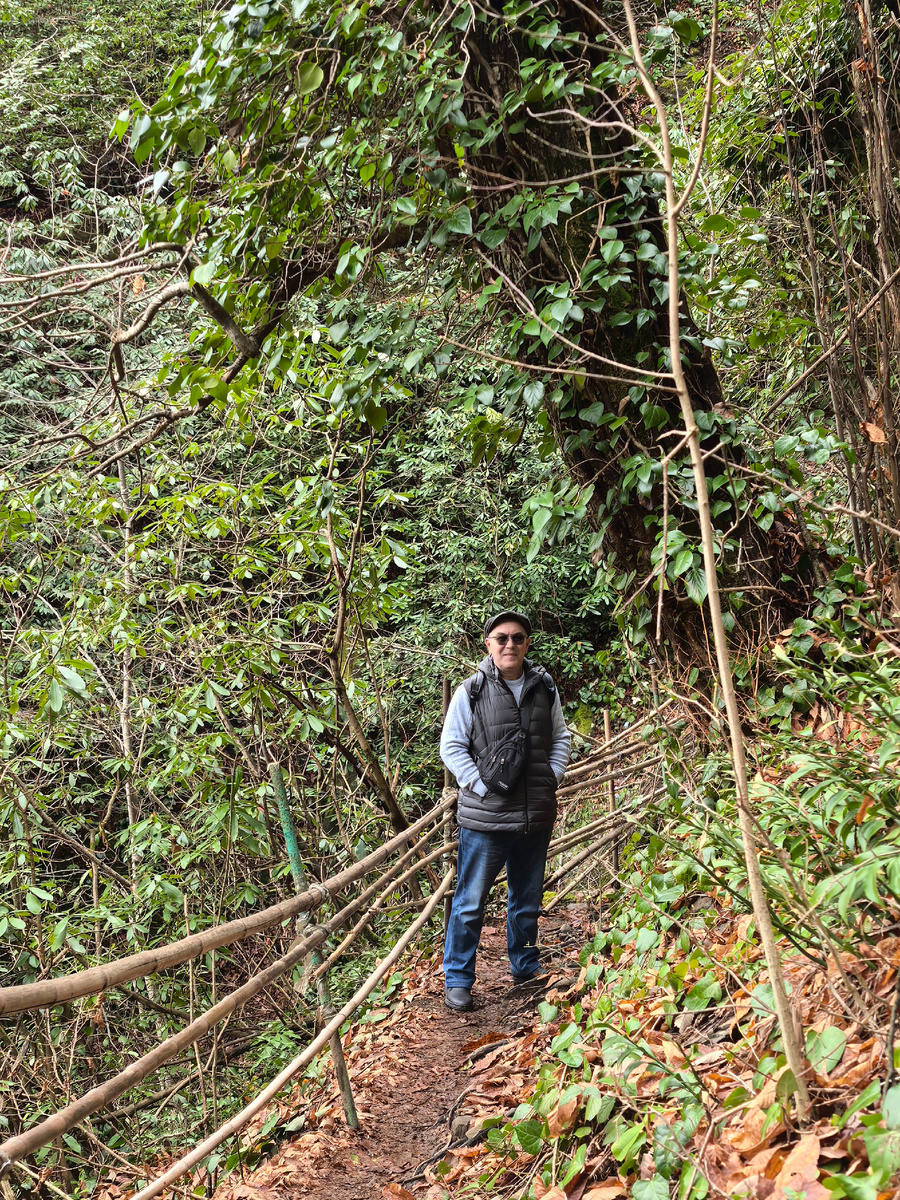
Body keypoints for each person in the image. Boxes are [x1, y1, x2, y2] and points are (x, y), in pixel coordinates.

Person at [439, 611, 571, 1011]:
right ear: (488, 645)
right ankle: (459, 979)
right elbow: (452, 747)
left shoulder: (544, 687)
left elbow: (561, 737)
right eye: (501, 638)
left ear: (527, 643)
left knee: (527, 898)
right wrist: (480, 787)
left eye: (517, 638)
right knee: (470, 901)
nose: (509, 645)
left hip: (535, 816)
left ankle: (525, 967)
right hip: (486, 820)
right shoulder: (472, 691)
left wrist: (551, 776)